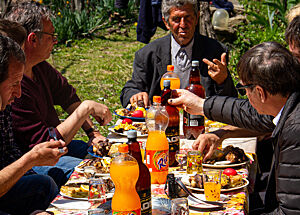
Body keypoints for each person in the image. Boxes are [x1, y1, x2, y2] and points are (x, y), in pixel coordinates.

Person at [169, 41, 300, 214]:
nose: (245, 96)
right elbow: (248, 114)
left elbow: (290, 212)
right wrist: (202, 105)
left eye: (244, 89)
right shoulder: (288, 104)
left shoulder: (294, 131)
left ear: (260, 93)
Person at [5, 2, 112, 186]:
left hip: (58, 147)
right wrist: (85, 109)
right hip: (32, 160)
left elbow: (68, 97)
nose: (55, 41)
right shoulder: (12, 87)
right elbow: (45, 144)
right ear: (32, 39)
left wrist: (92, 133)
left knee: (108, 154)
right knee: (88, 172)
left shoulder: (40, 67)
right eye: (51, 36)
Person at [120, 0, 238, 107]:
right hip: (162, 121)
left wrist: (223, 81)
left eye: (188, 18)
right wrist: (135, 96)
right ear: (166, 23)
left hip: (202, 121)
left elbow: (231, 100)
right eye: (176, 19)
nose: (183, 25)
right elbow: (131, 88)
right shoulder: (147, 54)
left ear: (196, 19)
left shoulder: (215, 51)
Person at [0, 34, 67, 215]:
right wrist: (31, 159)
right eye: (14, 84)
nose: (19, 93)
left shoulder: (4, 104)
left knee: (43, 184)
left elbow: (9, 153)